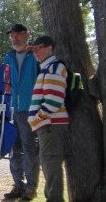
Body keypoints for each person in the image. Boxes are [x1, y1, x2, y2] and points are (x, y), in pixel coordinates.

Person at [27, 35, 69, 202]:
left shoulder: (53, 68)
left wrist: (37, 119)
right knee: (48, 163)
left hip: (51, 124)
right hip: (48, 124)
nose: (36, 52)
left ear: (50, 47)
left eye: (40, 48)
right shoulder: (47, 68)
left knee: (51, 164)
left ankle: (54, 199)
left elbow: (53, 101)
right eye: (34, 49)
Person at [3, 24, 40, 200]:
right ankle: (18, 185)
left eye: (18, 35)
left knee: (30, 148)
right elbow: (5, 82)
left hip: (30, 109)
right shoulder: (8, 57)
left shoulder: (35, 56)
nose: (15, 38)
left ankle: (31, 187)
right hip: (12, 110)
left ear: (27, 35)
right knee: (13, 149)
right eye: (12, 35)